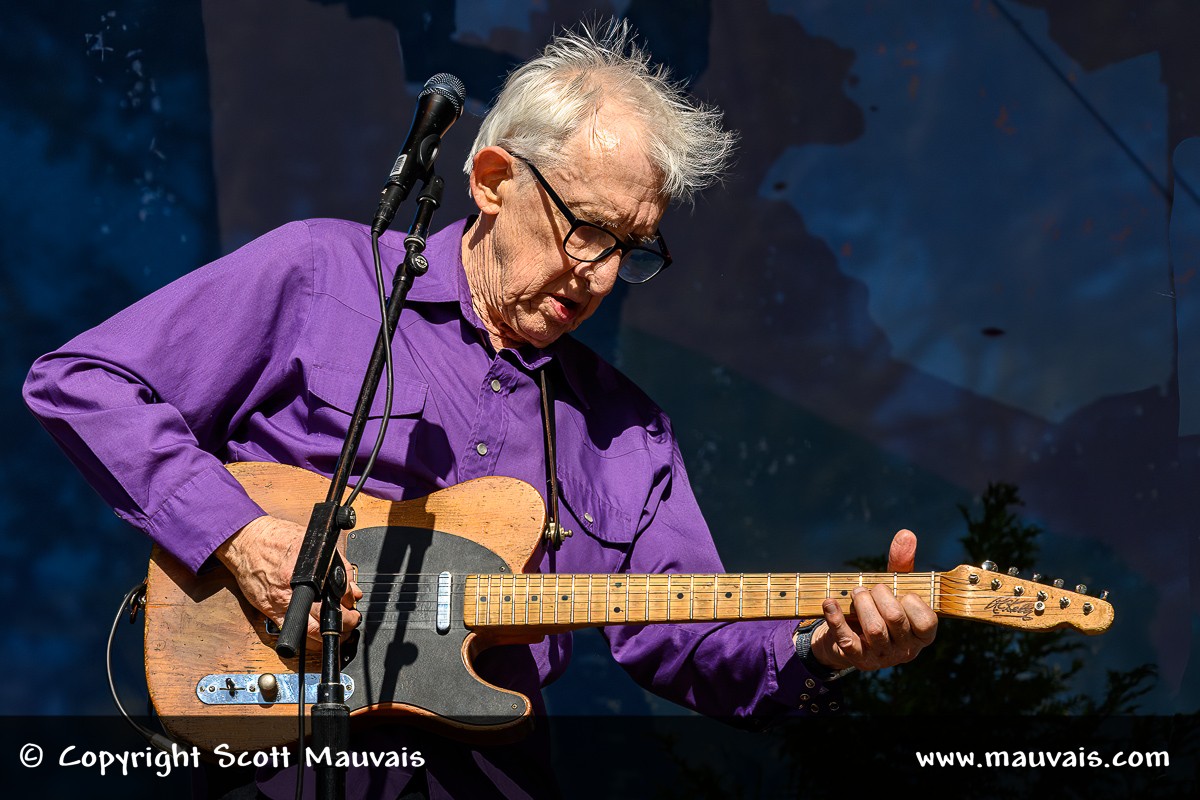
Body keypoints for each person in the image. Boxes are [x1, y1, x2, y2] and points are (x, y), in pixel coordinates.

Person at [23, 19, 937, 800]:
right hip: (274, 756)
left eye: (630, 248)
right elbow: (82, 382)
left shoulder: (628, 433)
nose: (599, 275)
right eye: (586, 228)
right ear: (494, 178)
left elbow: (692, 644)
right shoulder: (322, 274)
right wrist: (236, 533)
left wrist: (824, 651)